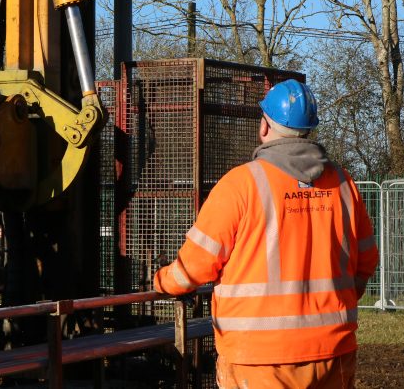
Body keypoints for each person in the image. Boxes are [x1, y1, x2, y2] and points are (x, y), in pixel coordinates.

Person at [153, 79, 378, 389]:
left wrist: (161, 281)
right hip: (332, 352)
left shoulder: (239, 185)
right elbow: (365, 263)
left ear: (264, 126)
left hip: (258, 360)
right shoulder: (342, 184)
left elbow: (195, 268)